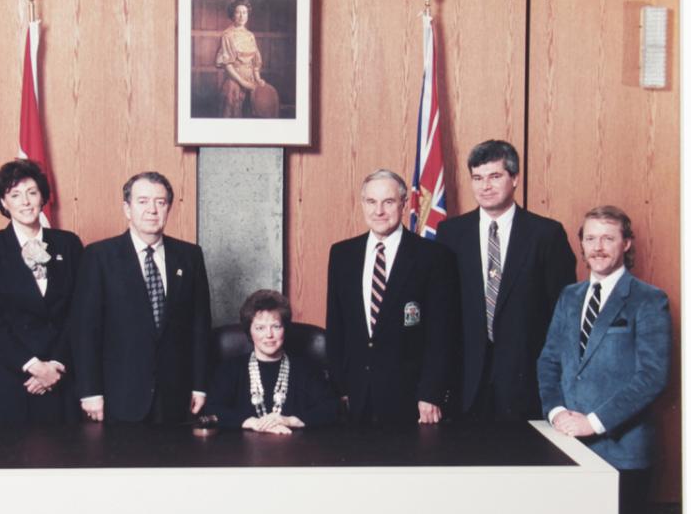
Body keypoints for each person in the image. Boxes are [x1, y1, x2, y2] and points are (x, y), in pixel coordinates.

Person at [537, 206, 671, 514]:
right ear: (581, 244)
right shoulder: (569, 296)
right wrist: (557, 413)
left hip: (623, 451)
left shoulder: (648, 300)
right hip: (567, 445)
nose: (597, 247)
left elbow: (652, 377)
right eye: (590, 238)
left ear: (626, 243)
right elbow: (549, 361)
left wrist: (593, 423)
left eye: (608, 238)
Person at [436, 139, 576, 420]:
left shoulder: (546, 234)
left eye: (494, 176)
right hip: (465, 381)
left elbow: (563, 315)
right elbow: (442, 311)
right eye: (477, 178)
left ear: (515, 179)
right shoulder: (451, 233)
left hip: (526, 379)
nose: (485, 186)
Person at [71, 171, 212, 424]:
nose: (152, 210)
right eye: (143, 201)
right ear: (127, 208)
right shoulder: (99, 256)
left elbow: (200, 326)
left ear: (168, 208)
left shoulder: (190, 256)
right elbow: (85, 330)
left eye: (160, 202)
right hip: (119, 395)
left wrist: (199, 386)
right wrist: (90, 391)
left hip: (176, 395)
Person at [326, 169, 458, 425]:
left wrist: (430, 393)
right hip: (355, 396)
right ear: (362, 204)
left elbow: (442, 334)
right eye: (371, 202)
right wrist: (339, 388)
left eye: (388, 202)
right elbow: (336, 326)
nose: (379, 211)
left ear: (404, 204)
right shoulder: (342, 254)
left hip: (411, 398)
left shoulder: (433, 257)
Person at [0, 159, 83, 426]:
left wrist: (54, 365)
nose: (26, 202)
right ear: (3, 202)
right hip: (8, 376)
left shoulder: (69, 244)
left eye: (32, 192)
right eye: (15, 195)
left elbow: (78, 313)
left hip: (58, 376)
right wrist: (34, 366)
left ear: (43, 197)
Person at [206, 290, 338, 433]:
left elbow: (331, 408)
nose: (269, 335)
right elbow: (212, 408)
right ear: (249, 331)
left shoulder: (306, 369)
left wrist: (290, 420)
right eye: (260, 328)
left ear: (285, 329)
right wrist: (251, 422)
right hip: (241, 446)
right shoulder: (230, 369)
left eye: (276, 326)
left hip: (295, 445)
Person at [215, 0, 279, 118]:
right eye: (238, 12)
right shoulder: (227, 35)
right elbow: (227, 64)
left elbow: (255, 61)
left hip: (251, 83)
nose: (242, 16)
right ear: (232, 15)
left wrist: (257, 78)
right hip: (234, 84)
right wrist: (243, 82)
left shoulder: (250, 36)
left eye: (244, 12)